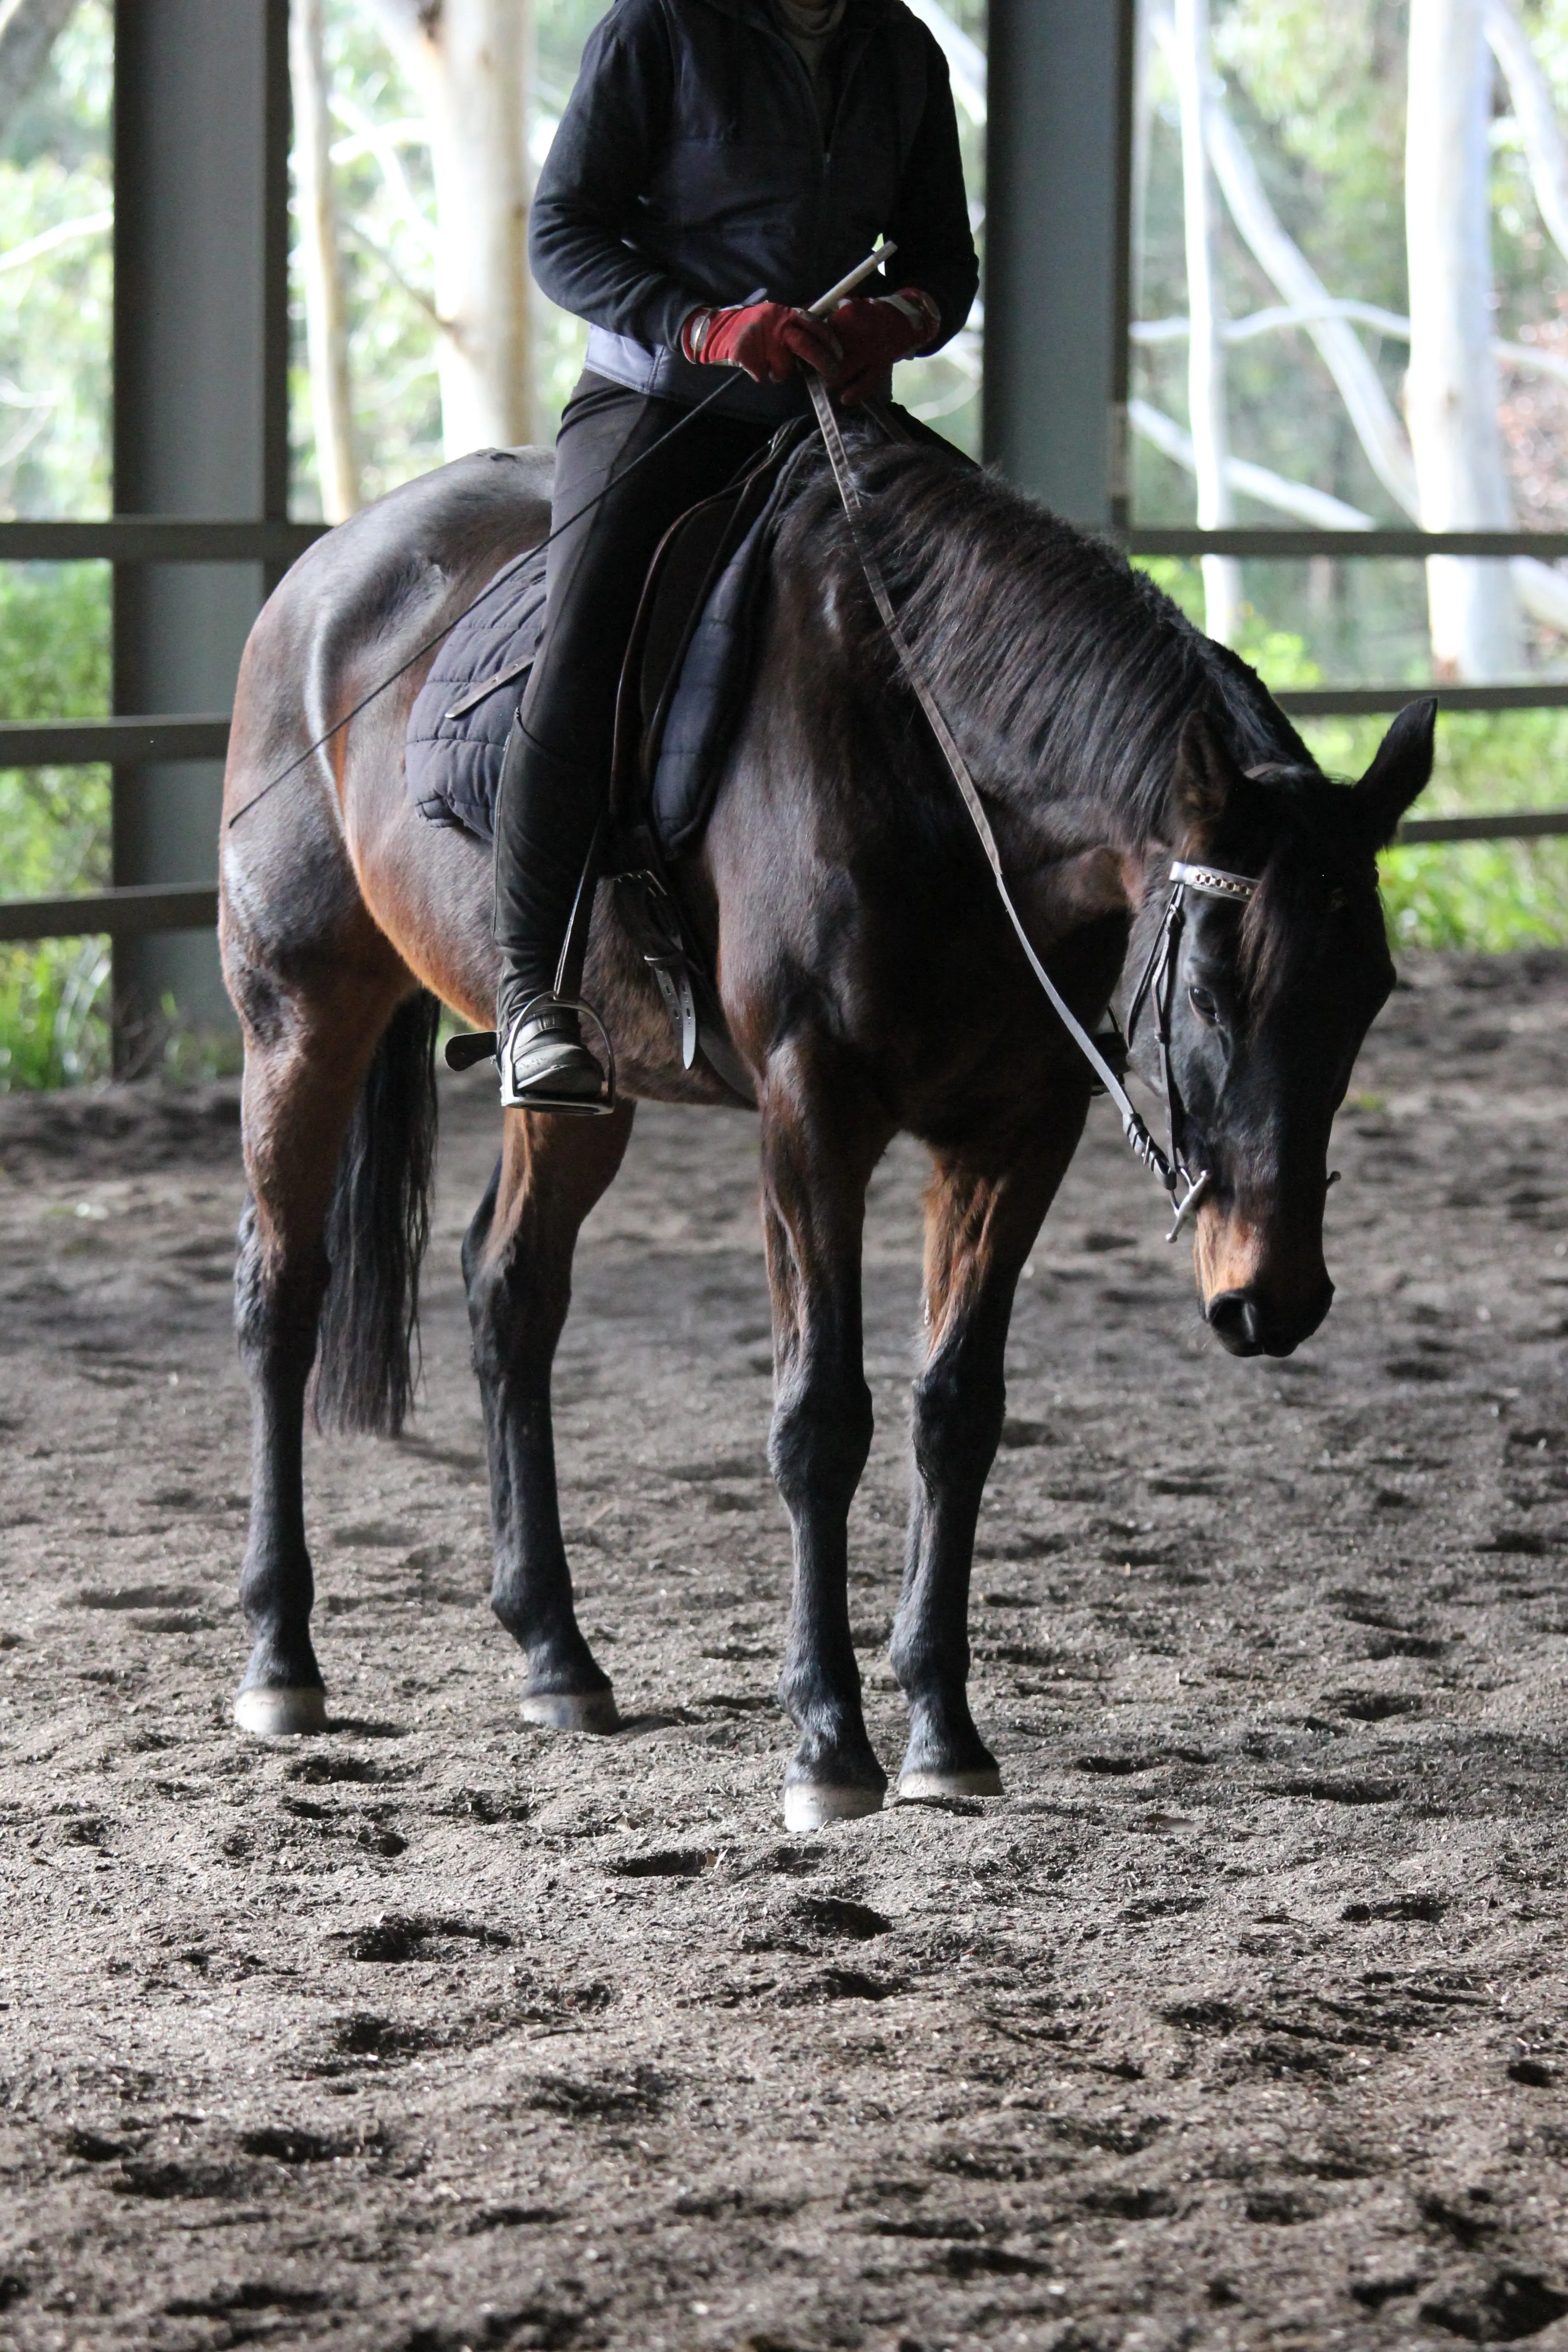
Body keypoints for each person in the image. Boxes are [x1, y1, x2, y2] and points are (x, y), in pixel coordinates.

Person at [493, 0, 980, 1108]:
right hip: (660, 396)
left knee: (988, 609)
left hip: (825, 406)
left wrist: (895, 320)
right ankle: (536, 997)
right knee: (586, 644)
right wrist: (703, 324)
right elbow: (562, 234)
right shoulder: (655, 28)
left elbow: (944, 260)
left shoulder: (904, 52)